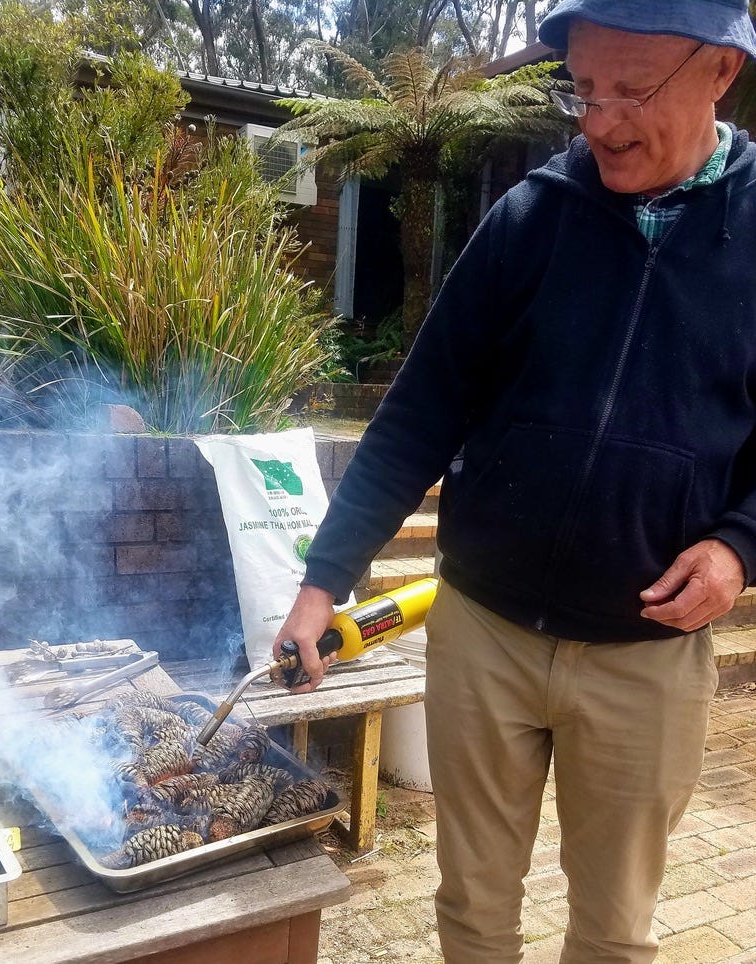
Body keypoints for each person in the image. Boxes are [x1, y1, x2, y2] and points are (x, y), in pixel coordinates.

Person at [273, 1, 756, 960]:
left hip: (644, 650)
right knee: (473, 907)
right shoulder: (530, 216)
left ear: (720, 74)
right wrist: (322, 582)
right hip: (483, 632)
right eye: (582, 87)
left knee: (614, 930)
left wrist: (739, 547)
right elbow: (419, 413)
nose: (600, 120)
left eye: (633, 87)